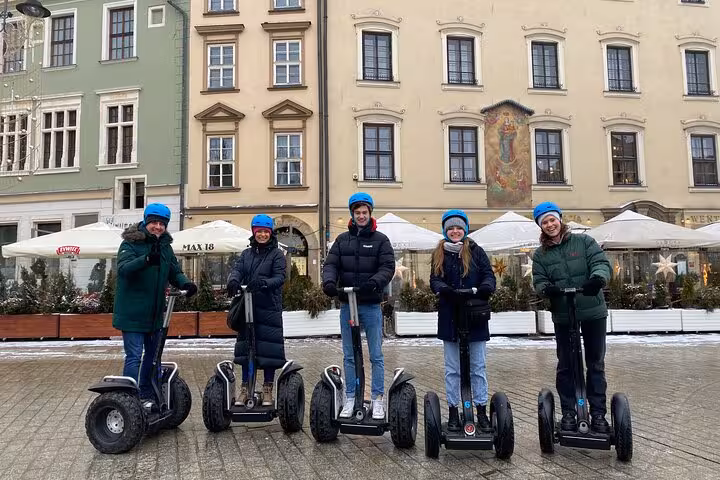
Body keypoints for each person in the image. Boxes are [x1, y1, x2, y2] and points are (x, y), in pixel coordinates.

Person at [531, 201, 612, 433]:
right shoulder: (541, 254)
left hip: (592, 311)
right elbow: (539, 279)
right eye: (544, 222)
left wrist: (597, 279)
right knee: (566, 364)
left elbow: (600, 263)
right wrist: (546, 289)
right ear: (541, 226)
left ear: (559, 219)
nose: (549, 225)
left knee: (595, 363)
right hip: (564, 314)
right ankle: (569, 411)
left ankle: (597, 413)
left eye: (552, 220)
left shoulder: (584, 242)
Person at [113, 203, 197, 407]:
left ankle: (148, 395)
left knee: (153, 356)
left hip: (155, 315)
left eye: (162, 223)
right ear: (146, 222)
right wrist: (147, 259)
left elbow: (174, 271)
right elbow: (123, 269)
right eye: (154, 223)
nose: (158, 227)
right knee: (134, 357)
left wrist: (186, 283)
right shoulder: (130, 244)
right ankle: (129, 401)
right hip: (132, 314)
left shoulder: (165, 247)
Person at [322, 192, 395, 419]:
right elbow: (331, 264)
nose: (361, 216)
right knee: (349, 354)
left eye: (364, 212)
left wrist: (374, 283)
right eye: (357, 213)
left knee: (376, 355)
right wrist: (329, 282)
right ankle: (351, 397)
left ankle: (377, 398)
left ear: (370, 213)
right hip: (347, 304)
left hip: (371, 304)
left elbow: (387, 267)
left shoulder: (381, 240)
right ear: (352, 215)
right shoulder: (343, 240)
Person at [429, 210, 496, 432]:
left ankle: (481, 411)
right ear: (445, 231)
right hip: (450, 315)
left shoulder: (476, 251)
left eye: (459, 227)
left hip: (475, 314)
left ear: (465, 229)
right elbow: (434, 280)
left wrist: (486, 288)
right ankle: (454, 411)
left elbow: (488, 275)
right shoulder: (439, 253)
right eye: (451, 228)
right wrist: (445, 290)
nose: (455, 231)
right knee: (452, 369)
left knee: (477, 367)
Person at [227, 214, 287, 406]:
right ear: (254, 232)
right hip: (248, 307)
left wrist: (262, 283)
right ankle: (246, 387)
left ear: (270, 233)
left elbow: (280, 277)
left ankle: (267, 388)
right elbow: (238, 269)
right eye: (259, 231)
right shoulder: (247, 254)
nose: (262, 234)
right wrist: (234, 280)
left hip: (269, 307)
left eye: (265, 231)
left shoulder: (277, 254)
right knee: (246, 348)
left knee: (269, 350)